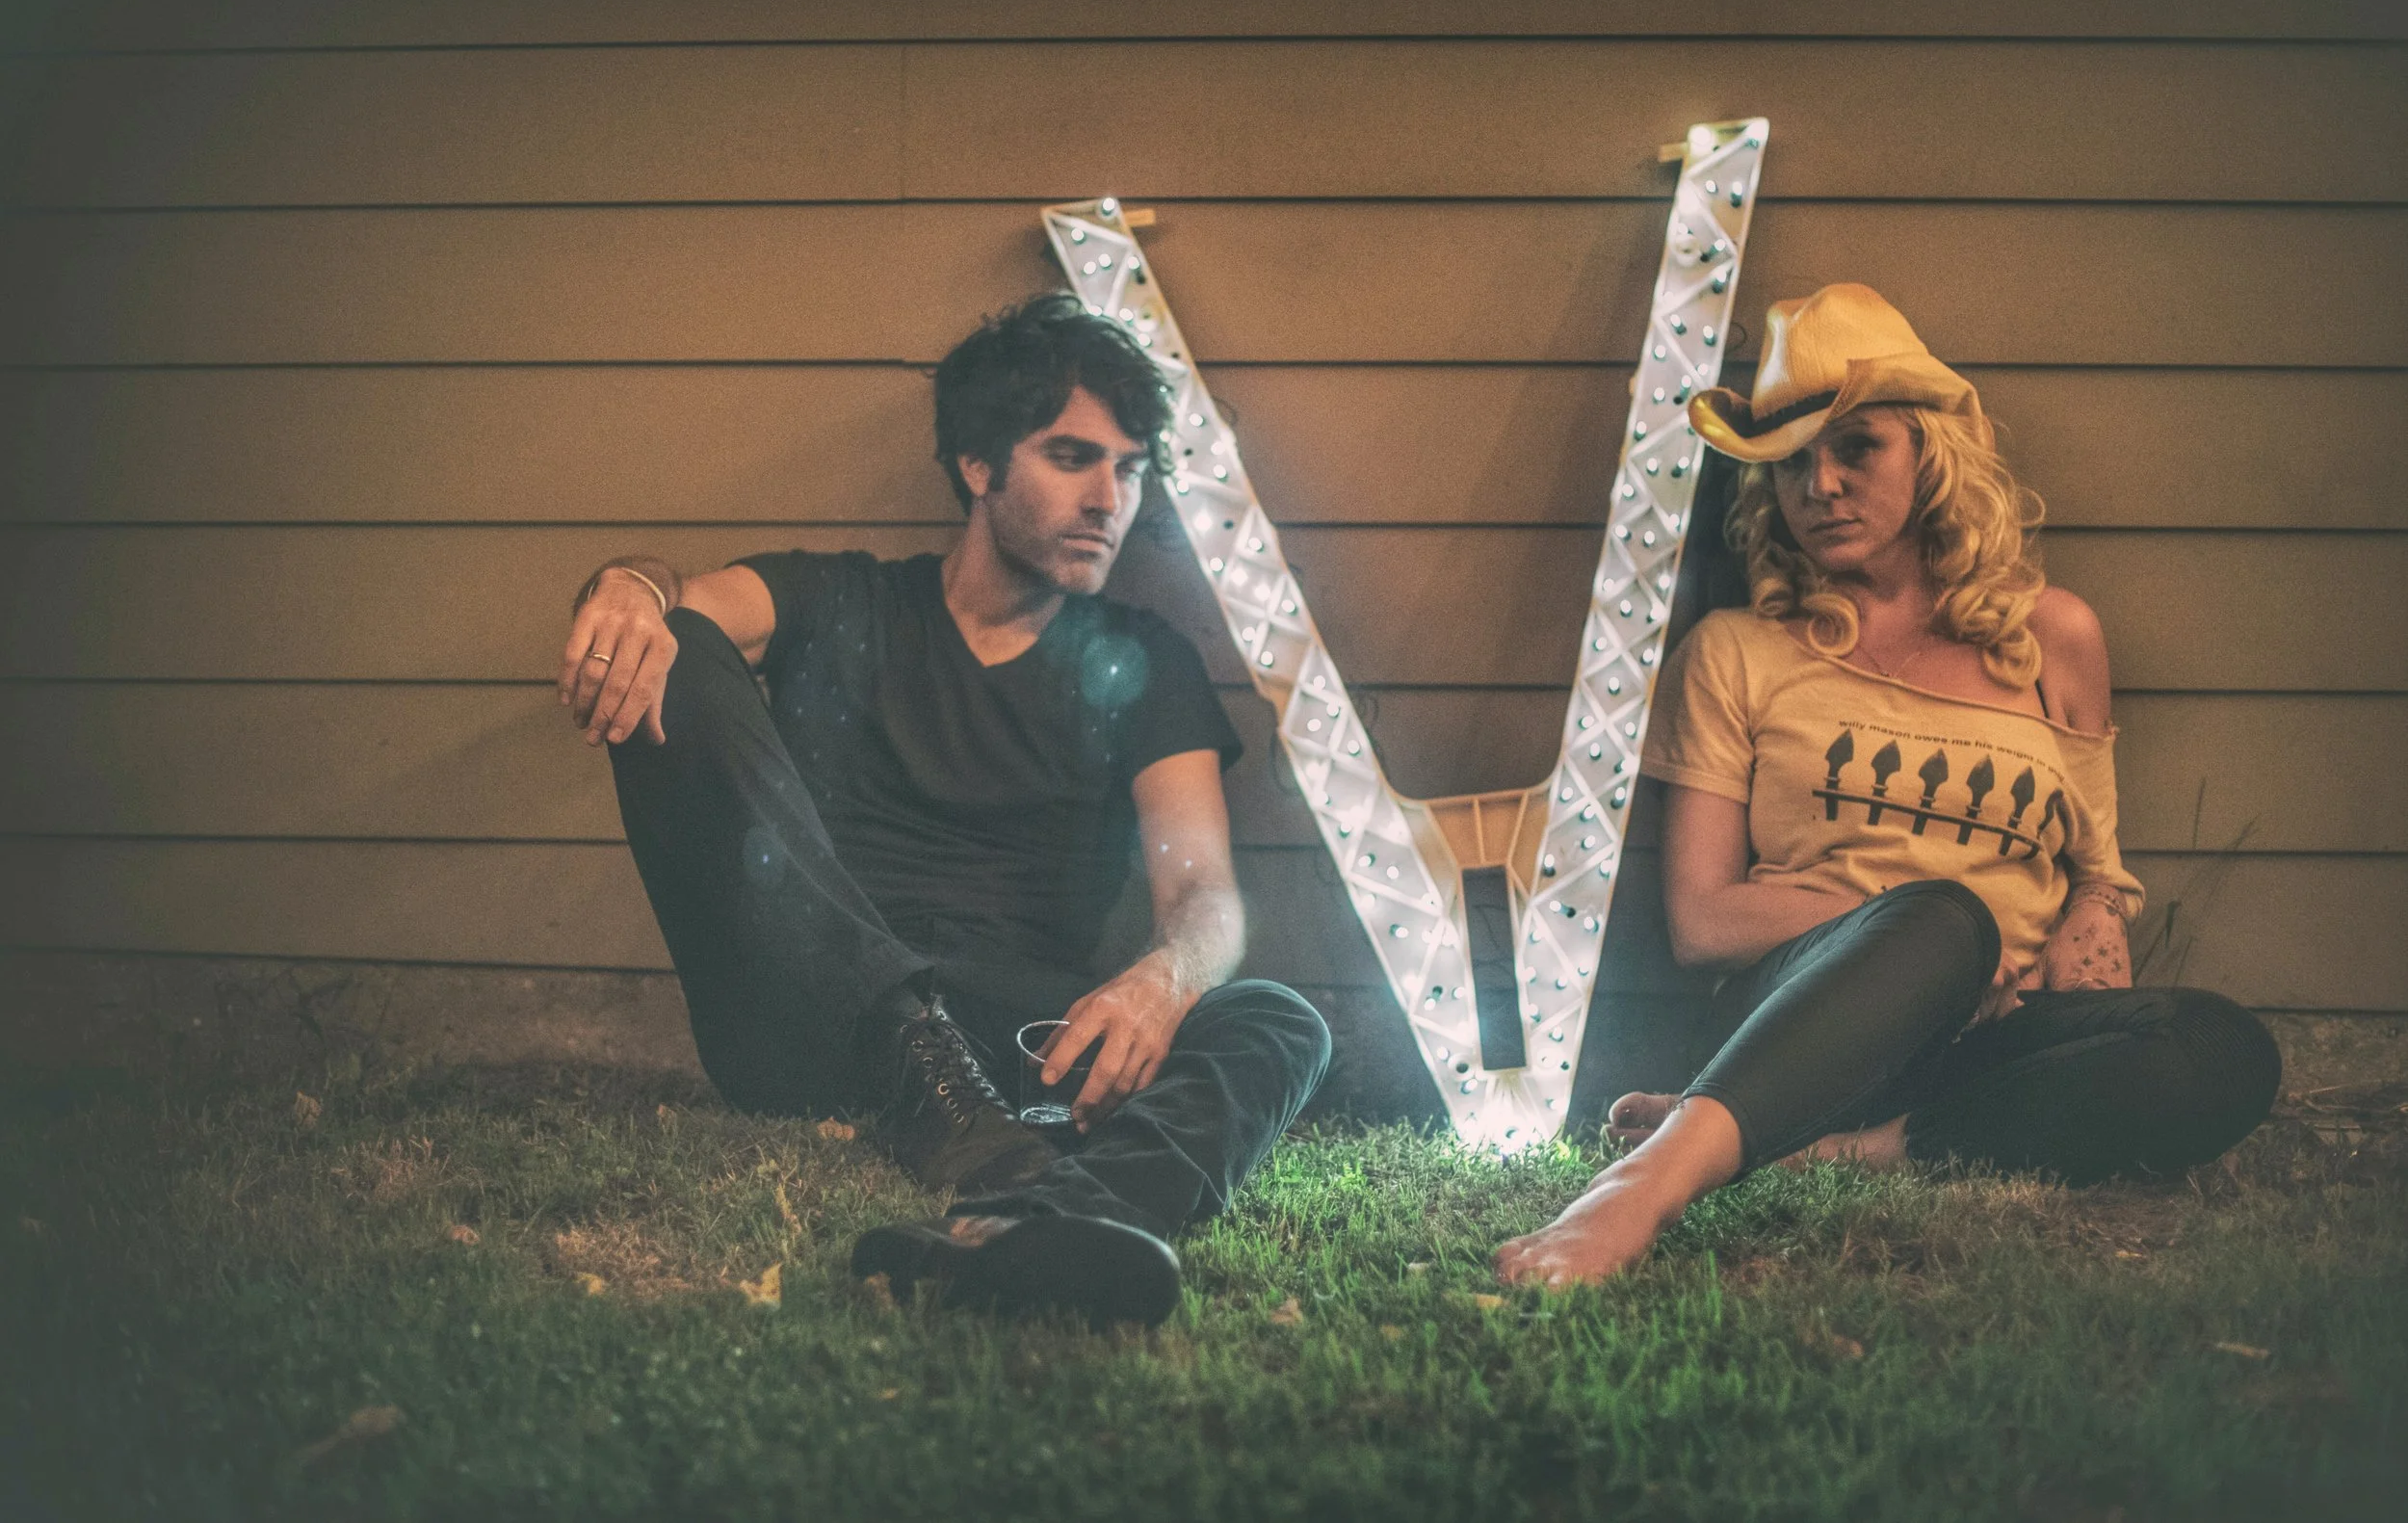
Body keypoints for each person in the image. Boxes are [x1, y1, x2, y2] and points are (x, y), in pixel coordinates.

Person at [559, 295, 1329, 1326]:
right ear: (977, 463)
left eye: (1132, 468)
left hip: (1018, 1043)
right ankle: (913, 1058)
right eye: (1072, 457)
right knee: (675, 646)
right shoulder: (845, 601)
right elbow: (677, 606)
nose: (1110, 498)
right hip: (816, 1016)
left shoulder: (1145, 662)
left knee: (1279, 1019)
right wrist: (626, 588)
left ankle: (1039, 1226)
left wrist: (1165, 977)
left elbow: (1204, 895)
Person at [1495, 284, 2281, 1286]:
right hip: (1811, 1029)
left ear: (1929, 455)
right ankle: (1640, 1184)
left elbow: (2097, 865)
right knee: (1943, 920)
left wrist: (2094, 914)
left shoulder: (2054, 638)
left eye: (1855, 448)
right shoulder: (1738, 651)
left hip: (1989, 1033)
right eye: (1790, 463)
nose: (1819, 484)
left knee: (2220, 1045)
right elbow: (1702, 919)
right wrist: (1930, 931)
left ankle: (1848, 1152)